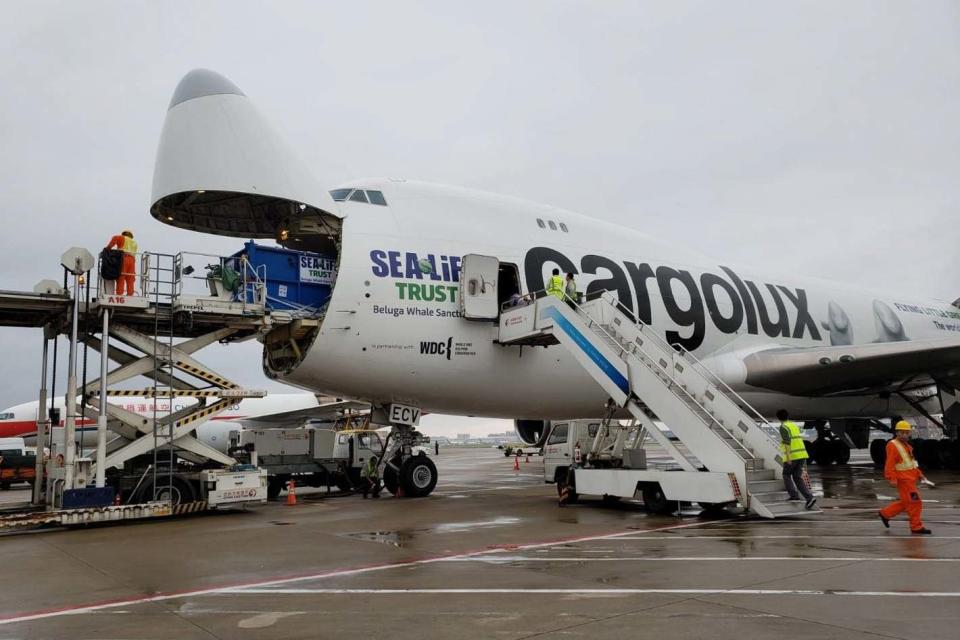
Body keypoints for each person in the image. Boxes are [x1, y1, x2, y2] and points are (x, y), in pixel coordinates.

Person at [879, 421, 931, 534]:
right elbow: (890, 463)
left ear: (909, 433)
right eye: (901, 433)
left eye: (906, 433)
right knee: (915, 502)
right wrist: (891, 478)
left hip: (910, 479)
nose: (904, 435)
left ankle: (885, 513)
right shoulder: (892, 445)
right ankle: (916, 527)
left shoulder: (907, 446)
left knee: (906, 502)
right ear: (897, 433)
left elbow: (912, 464)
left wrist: (920, 475)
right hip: (903, 480)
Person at [777, 409, 816, 509]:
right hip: (802, 454)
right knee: (797, 477)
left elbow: (787, 442)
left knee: (786, 474)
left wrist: (789, 457)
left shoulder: (783, 427)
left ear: (779, 418)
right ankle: (809, 497)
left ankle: (794, 496)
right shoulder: (793, 425)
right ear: (788, 416)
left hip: (793, 456)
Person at [106, 230, 138, 296]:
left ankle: (119, 294)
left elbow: (114, 238)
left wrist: (108, 248)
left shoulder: (122, 238)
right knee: (130, 278)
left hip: (123, 258)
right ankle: (130, 294)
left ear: (123, 234)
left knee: (121, 276)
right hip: (132, 261)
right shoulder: (135, 243)